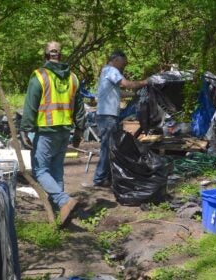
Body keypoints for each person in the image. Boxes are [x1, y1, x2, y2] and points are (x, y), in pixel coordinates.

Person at [20, 41, 85, 225]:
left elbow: (30, 106)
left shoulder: (39, 76)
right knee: (56, 170)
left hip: (47, 132)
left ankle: (64, 201)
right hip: (65, 131)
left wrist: (25, 129)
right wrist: (79, 130)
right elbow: (79, 108)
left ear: (45, 56)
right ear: (60, 56)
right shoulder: (72, 77)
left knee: (40, 171)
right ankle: (61, 212)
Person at [92, 50, 148, 187]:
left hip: (108, 115)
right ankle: (99, 179)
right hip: (107, 116)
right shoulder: (111, 70)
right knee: (108, 147)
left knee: (112, 146)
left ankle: (107, 177)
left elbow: (119, 92)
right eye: (122, 62)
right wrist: (145, 82)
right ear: (116, 60)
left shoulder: (107, 72)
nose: (123, 66)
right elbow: (126, 84)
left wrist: (133, 95)